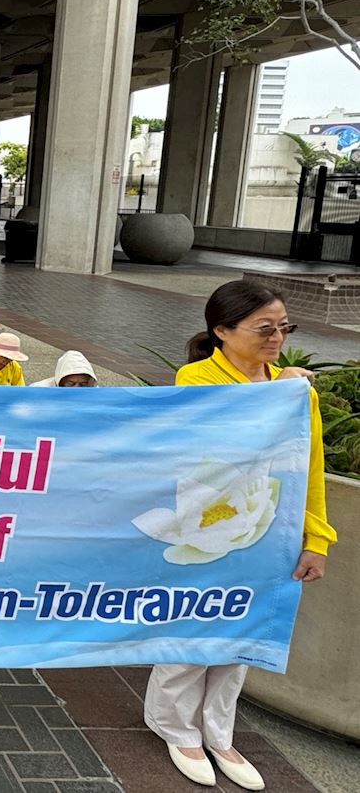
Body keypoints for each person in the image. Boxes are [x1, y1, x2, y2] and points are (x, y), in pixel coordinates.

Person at [145, 281, 333, 791]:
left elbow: (308, 469)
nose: (277, 338)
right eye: (264, 328)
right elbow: (218, 441)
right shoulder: (197, 377)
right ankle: (174, 726)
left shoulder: (295, 390)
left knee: (241, 636)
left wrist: (316, 538)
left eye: (284, 327)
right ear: (222, 331)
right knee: (193, 624)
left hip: (270, 531)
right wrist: (279, 394)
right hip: (204, 527)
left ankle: (218, 732)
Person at [30, 350, 97, 387]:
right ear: (61, 380)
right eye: (71, 384)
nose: (76, 388)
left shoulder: (96, 394)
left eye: (83, 384)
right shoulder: (39, 389)